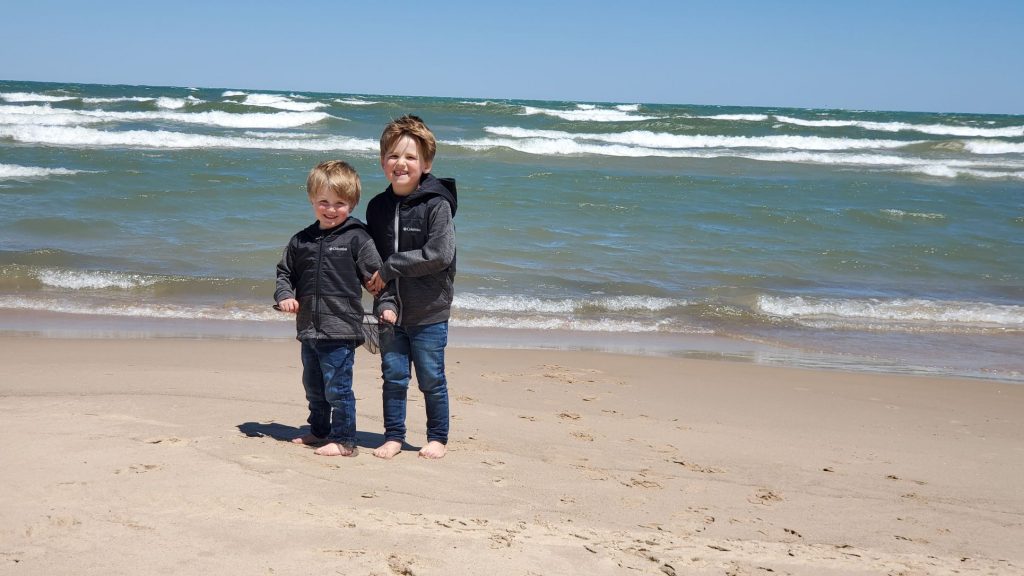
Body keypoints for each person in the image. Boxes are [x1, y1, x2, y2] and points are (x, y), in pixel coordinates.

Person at [275, 160, 397, 457]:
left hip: (341, 329)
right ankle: (318, 429)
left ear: (352, 203)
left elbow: (378, 280)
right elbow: (284, 273)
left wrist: (388, 306)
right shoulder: (301, 240)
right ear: (312, 200)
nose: (331, 209)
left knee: (337, 388)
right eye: (324, 202)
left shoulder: (358, 238)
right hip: (308, 328)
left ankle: (344, 440)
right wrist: (284, 296)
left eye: (339, 203)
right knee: (313, 386)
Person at [365, 115, 457, 460]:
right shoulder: (377, 207)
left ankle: (437, 437)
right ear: (382, 161)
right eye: (393, 156)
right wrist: (383, 297)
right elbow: (373, 262)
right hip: (390, 311)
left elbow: (440, 254)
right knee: (393, 377)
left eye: (410, 157)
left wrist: (391, 267)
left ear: (426, 163)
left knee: (431, 378)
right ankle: (394, 436)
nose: (401, 163)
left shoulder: (438, 204)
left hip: (431, 310)